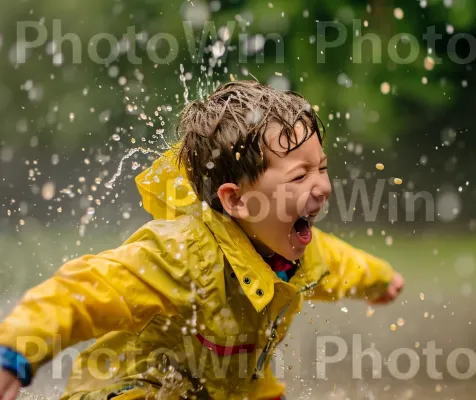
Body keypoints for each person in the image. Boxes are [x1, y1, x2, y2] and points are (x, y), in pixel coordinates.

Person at [0, 81, 404, 400]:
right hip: (132, 386)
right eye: (300, 176)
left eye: (322, 168)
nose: (323, 187)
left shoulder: (304, 252)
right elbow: (82, 292)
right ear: (236, 200)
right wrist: (15, 350)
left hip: (232, 389)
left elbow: (343, 264)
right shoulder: (183, 253)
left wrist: (380, 279)